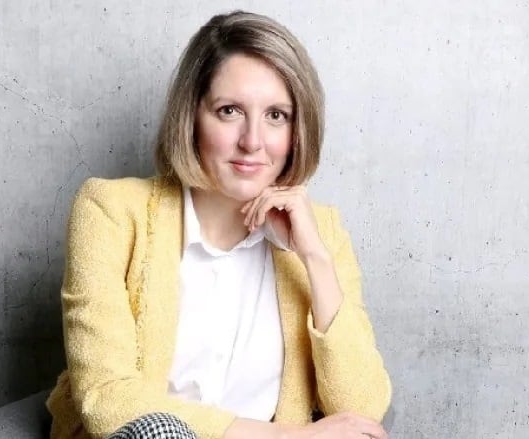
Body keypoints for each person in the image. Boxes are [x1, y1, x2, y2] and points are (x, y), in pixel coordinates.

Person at [46, 10, 391, 439]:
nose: (253, 141)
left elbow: (361, 412)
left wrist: (314, 258)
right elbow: (109, 400)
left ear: (297, 130)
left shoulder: (321, 230)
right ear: (191, 116)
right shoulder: (110, 211)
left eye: (276, 116)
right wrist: (294, 437)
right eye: (229, 111)